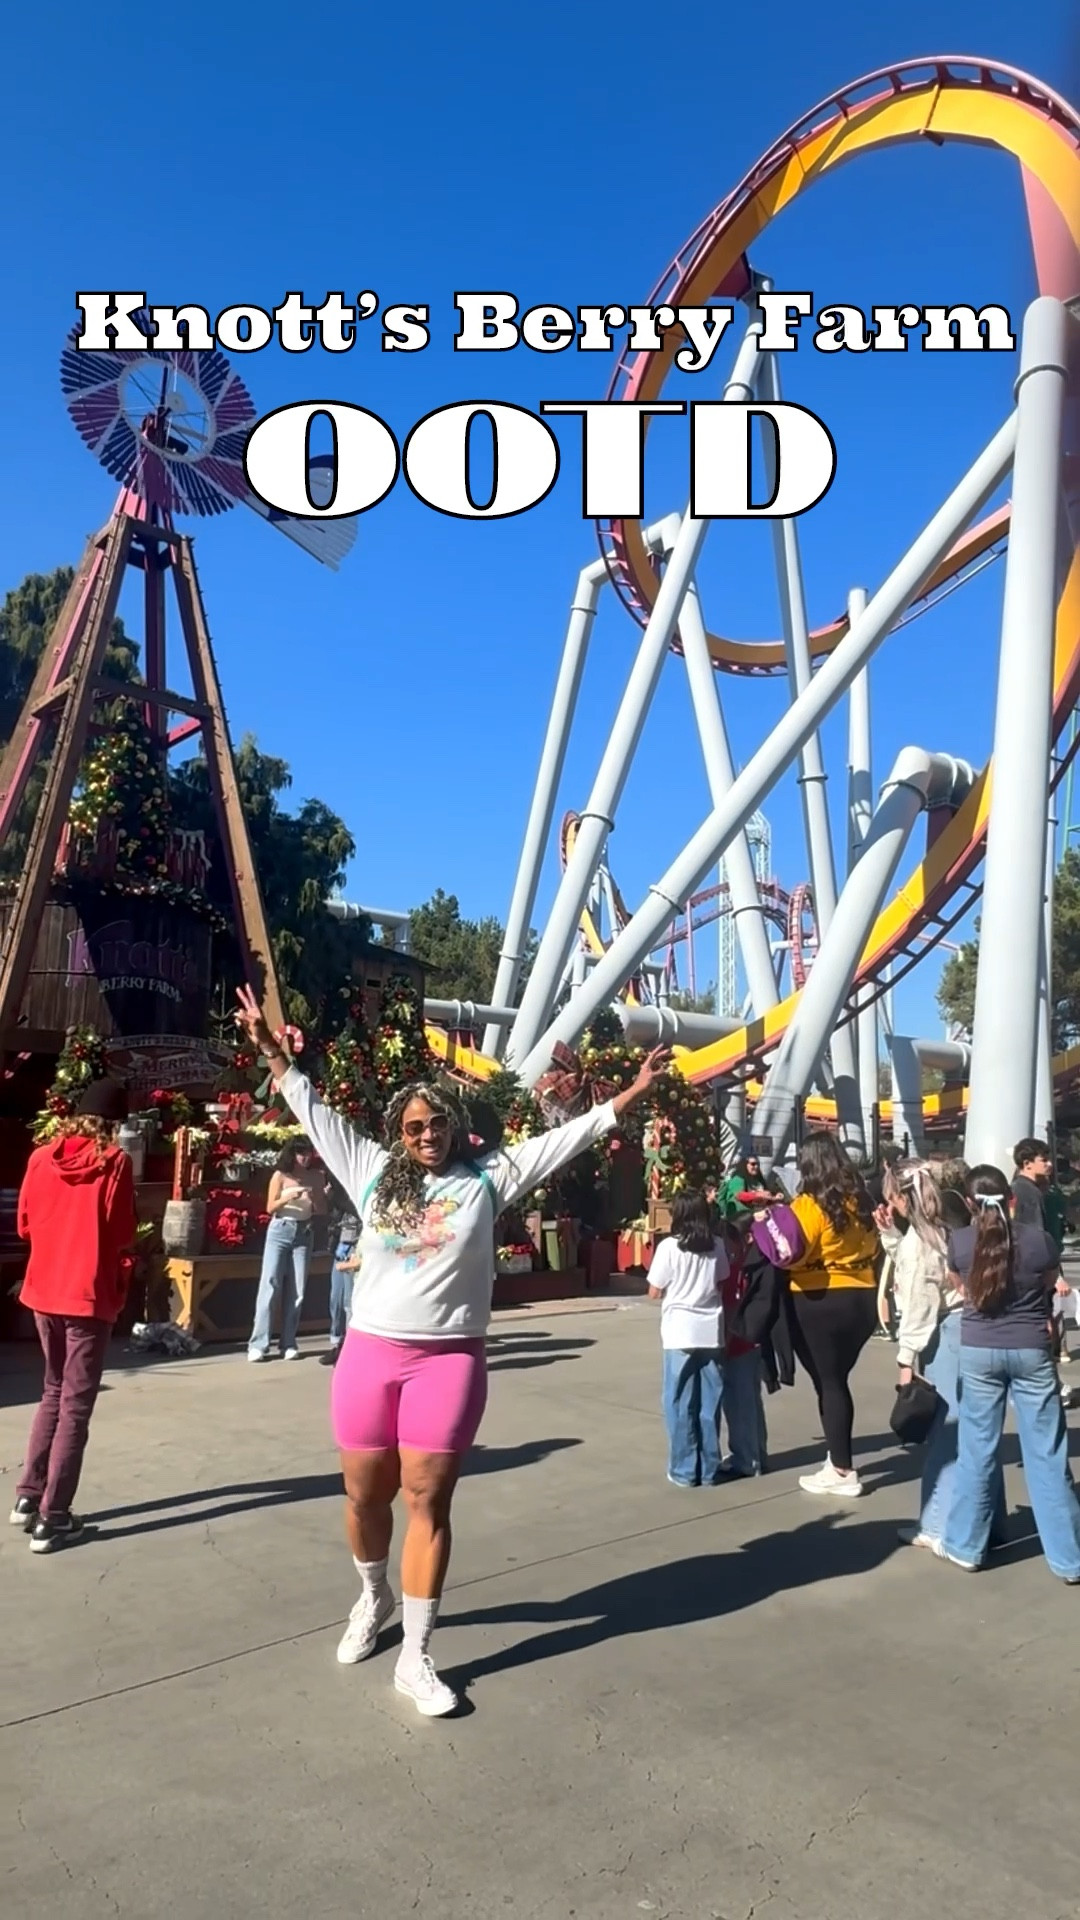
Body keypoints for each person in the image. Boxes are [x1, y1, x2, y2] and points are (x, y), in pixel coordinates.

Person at [235, 982, 669, 1717]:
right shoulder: (370, 1168)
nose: (426, 1135)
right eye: (413, 1127)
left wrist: (629, 1094)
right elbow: (311, 1106)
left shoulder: (489, 1181)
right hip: (370, 1357)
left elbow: (567, 1140)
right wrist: (275, 1055)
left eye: (436, 1123)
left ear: (454, 1125)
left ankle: (416, 1656)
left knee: (428, 1502)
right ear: (397, 1133)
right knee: (363, 1496)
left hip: (448, 1361)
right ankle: (373, 1599)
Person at [9, 1079, 136, 1553]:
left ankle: (28, 1495)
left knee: (52, 1393)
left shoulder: (41, 1157)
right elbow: (121, 1230)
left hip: (44, 1290)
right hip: (87, 1295)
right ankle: (54, 1516)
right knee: (75, 1407)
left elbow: (24, 1224)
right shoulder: (114, 1162)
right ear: (115, 1123)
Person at [938, 1165, 1080, 1581]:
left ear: (968, 1203)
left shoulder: (960, 1242)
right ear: (1012, 1199)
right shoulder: (1040, 1241)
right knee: (1047, 1453)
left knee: (977, 1449)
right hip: (1032, 1349)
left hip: (979, 1350)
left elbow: (962, 1288)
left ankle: (966, 1546)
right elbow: (1051, 1286)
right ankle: (1069, 1558)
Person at [880, 1159, 1004, 1553]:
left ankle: (936, 1525)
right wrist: (891, 1239)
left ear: (903, 1197)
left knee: (946, 1437)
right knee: (978, 1432)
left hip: (943, 1335)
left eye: (892, 1198)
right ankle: (991, 1522)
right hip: (970, 1328)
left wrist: (905, 1360)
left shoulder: (919, 1242)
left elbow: (919, 1302)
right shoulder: (949, 1229)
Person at [782, 1132, 880, 1498]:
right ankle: (836, 1458)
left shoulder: (808, 1205)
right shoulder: (861, 1200)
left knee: (830, 1383)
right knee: (836, 1379)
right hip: (863, 1295)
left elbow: (792, 1252)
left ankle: (842, 1469)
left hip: (818, 1297)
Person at [647, 1192, 728, 1487]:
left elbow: (654, 1291)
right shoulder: (717, 1245)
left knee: (679, 1402)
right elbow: (721, 1280)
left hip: (679, 1330)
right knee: (709, 1403)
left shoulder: (669, 1247)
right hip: (710, 1329)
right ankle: (708, 1468)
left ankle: (683, 1469)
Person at [247, 1136, 327, 1362]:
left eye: (308, 1153)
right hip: (280, 1229)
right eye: (301, 1153)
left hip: (304, 1231)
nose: (305, 1157)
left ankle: (289, 1342)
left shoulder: (317, 1176)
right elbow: (270, 1207)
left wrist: (314, 1198)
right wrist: (288, 1197)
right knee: (270, 1283)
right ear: (292, 1155)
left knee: (298, 1289)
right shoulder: (280, 1176)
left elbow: (321, 1210)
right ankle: (258, 1344)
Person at [718, 1220, 768, 1477]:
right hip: (753, 1341)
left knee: (739, 1403)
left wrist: (725, 1341)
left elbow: (731, 1309)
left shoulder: (734, 1271)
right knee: (751, 1401)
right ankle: (757, 1452)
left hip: (738, 1341)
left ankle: (746, 1459)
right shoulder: (750, 1267)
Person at [321, 1178, 361, 1367]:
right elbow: (332, 1219)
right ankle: (336, 1341)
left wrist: (335, 1197)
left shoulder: (357, 1193)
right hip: (340, 1247)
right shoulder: (336, 1195)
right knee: (335, 1298)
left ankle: (348, 1348)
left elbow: (356, 1211)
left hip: (356, 1247)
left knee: (348, 1302)